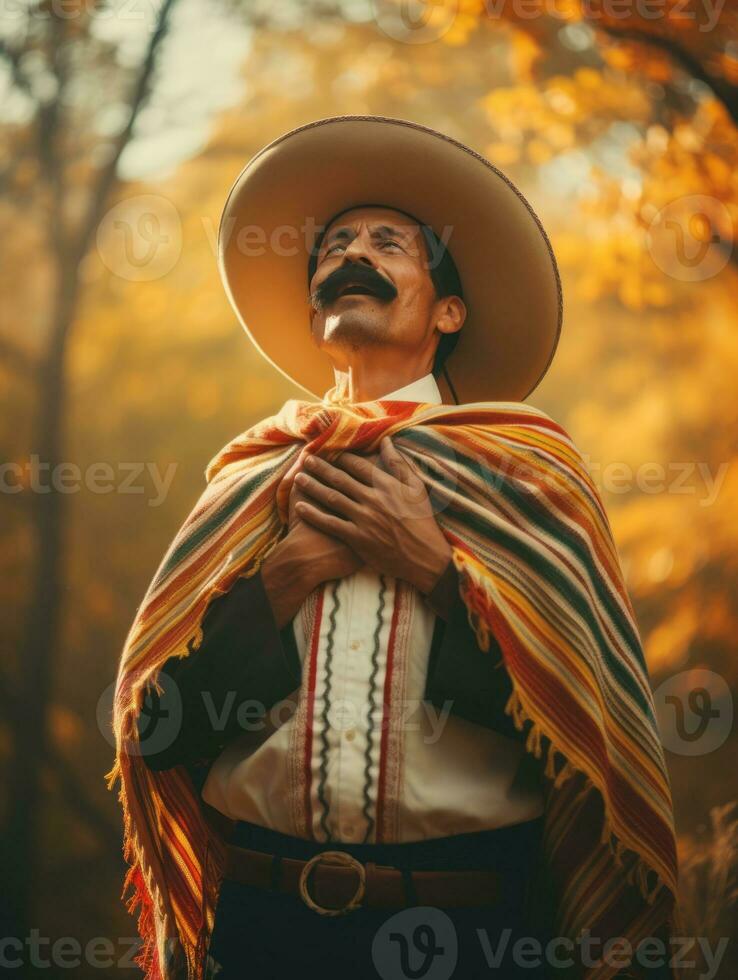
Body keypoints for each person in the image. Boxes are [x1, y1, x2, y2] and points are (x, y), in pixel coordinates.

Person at [107, 116, 681, 980]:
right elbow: (159, 734)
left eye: (387, 243)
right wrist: (287, 574)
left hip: (479, 932)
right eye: (335, 246)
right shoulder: (252, 477)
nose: (351, 254)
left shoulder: (526, 469)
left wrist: (438, 573)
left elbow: (586, 729)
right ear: (315, 309)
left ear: (449, 309)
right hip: (264, 930)